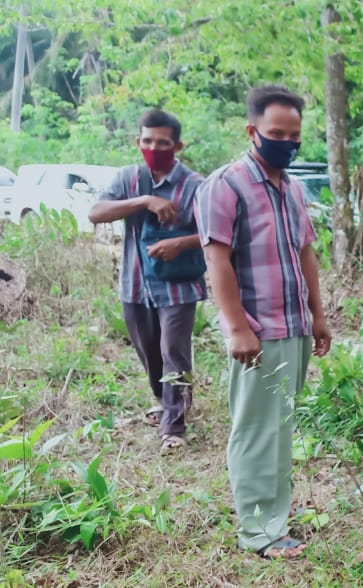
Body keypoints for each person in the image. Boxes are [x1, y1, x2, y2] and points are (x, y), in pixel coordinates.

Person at [195, 85, 332, 560]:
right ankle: (260, 533)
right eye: (277, 133)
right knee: (256, 430)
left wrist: (318, 315)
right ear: (252, 131)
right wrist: (236, 327)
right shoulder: (225, 185)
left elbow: (306, 253)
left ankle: (275, 520)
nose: (287, 143)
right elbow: (218, 260)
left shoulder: (293, 188)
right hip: (257, 330)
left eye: (294, 135)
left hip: (294, 326)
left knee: (280, 428)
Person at [89, 109, 205, 452]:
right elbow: (95, 213)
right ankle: (163, 398)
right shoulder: (129, 179)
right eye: (148, 141)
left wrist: (180, 243)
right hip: (135, 283)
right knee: (148, 350)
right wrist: (144, 200)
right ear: (137, 142)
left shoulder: (196, 185)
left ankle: (174, 427)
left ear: (178, 145)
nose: (155, 147)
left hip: (179, 285)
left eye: (163, 142)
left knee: (174, 352)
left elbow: (220, 231)